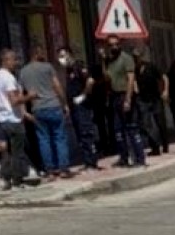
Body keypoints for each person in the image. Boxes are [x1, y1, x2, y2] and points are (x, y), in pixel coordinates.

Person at [20, 45, 73, 180]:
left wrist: (24, 111)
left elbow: (21, 93)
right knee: (59, 137)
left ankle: (49, 170)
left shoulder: (23, 72)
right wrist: (65, 103)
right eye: (41, 52)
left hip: (37, 109)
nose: (43, 54)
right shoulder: (47, 67)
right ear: (36, 53)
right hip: (53, 106)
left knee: (43, 140)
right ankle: (63, 169)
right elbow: (57, 86)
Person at [0, 49, 38, 190]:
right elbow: (14, 101)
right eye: (13, 59)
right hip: (13, 120)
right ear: (5, 61)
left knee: (5, 152)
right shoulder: (8, 78)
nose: (16, 62)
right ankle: (17, 181)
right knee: (17, 152)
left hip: (3, 119)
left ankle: (6, 180)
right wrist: (30, 96)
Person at [104, 35, 144, 168]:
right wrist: (102, 60)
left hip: (125, 95)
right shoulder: (110, 60)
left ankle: (139, 159)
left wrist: (128, 99)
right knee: (118, 130)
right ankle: (124, 158)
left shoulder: (126, 59)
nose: (114, 47)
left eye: (116, 44)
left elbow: (131, 79)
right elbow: (107, 77)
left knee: (131, 128)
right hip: (115, 97)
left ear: (120, 44)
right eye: (111, 45)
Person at [59, 47, 101, 171]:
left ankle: (92, 162)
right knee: (80, 135)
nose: (62, 59)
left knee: (87, 133)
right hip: (75, 107)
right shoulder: (68, 70)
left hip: (83, 106)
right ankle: (87, 161)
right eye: (60, 57)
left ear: (70, 55)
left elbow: (90, 81)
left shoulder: (78, 66)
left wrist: (83, 96)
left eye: (63, 55)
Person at [133, 48, 168, 156]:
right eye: (134, 57)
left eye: (137, 57)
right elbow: (132, 79)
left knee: (160, 122)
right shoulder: (134, 70)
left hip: (155, 98)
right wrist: (135, 89)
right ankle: (155, 147)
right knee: (146, 124)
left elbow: (164, 77)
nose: (136, 59)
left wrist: (165, 90)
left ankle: (165, 145)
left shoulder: (151, 67)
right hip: (143, 100)